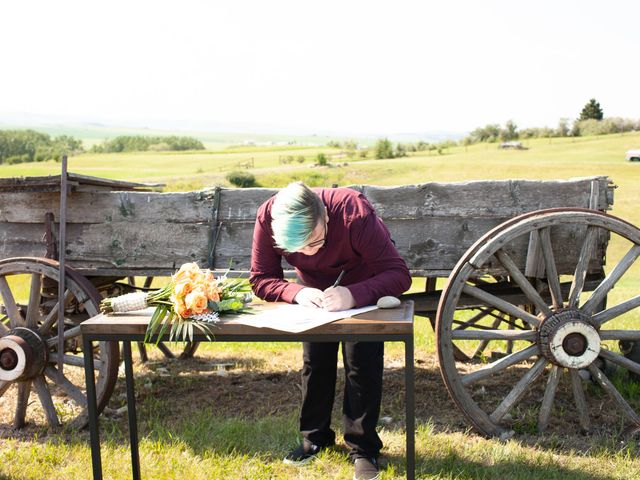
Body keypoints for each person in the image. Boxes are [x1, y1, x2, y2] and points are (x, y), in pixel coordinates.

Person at [250, 182, 411, 480]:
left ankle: (364, 449)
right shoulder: (268, 216)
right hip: (313, 297)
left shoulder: (354, 212)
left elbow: (398, 274)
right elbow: (261, 278)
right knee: (315, 361)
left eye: (315, 240)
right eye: (300, 248)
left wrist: (352, 294)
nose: (310, 252)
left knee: (362, 362)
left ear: (324, 215)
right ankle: (314, 439)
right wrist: (296, 292)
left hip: (364, 288)